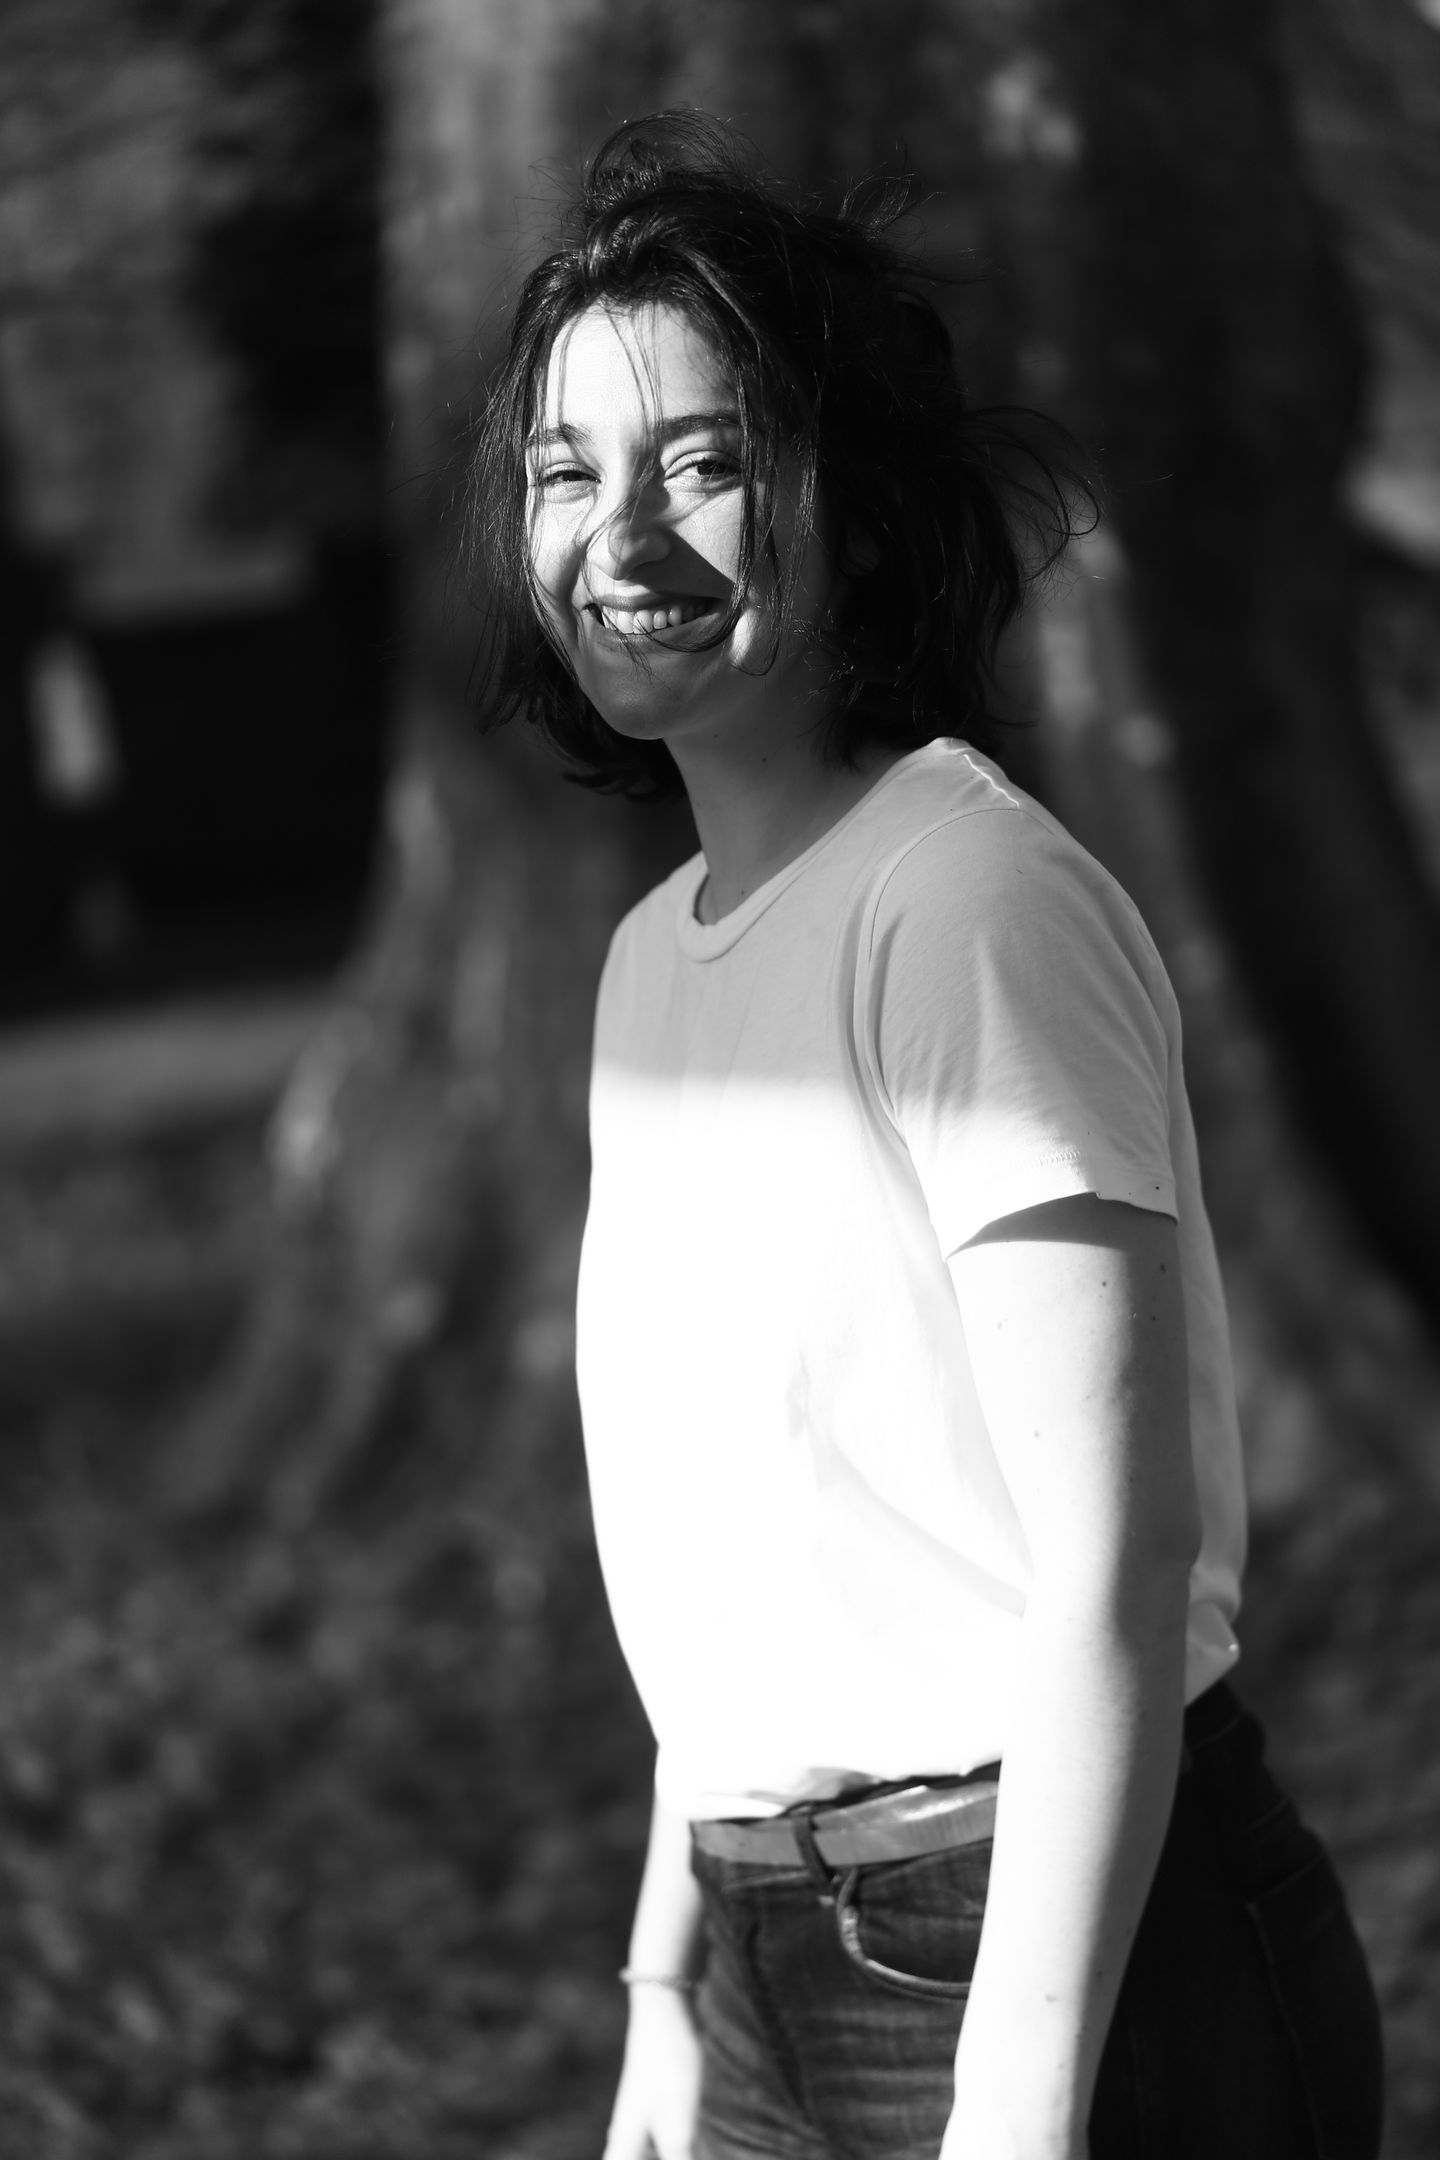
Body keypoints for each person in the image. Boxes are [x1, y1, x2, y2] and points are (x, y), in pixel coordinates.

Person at [469, 111, 1384, 2160]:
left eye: (706, 461)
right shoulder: (648, 968)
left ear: (863, 515)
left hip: (1055, 1953)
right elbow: (735, 1560)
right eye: (567, 473)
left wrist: (1019, 2100)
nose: (624, 536)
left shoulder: (964, 903)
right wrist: (668, 1995)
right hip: (764, 1964)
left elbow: (1113, 1571)